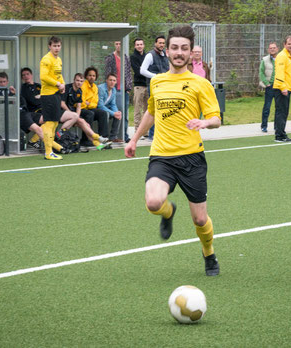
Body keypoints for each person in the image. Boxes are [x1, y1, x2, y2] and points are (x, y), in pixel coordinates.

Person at [125, 25, 222, 277]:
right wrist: (134, 139)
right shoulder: (156, 81)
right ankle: (169, 212)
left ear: (191, 53)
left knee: (200, 220)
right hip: (162, 156)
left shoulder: (201, 83)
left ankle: (208, 252)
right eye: (175, 48)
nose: (179, 53)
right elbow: (151, 112)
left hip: (192, 158)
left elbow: (216, 118)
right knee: (154, 202)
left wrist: (205, 122)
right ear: (166, 50)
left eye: (184, 48)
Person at [61, 73, 111, 151]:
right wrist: (73, 115)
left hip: (72, 114)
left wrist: (76, 116)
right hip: (62, 112)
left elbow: (78, 106)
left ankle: (98, 144)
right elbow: (62, 104)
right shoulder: (67, 88)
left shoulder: (80, 91)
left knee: (85, 124)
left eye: (81, 81)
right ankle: (97, 138)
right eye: (77, 80)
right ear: (73, 80)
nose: (79, 83)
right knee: (82, 122)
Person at [39, 36, 66, 160]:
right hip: (48, 95)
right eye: (54, 46)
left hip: (56, 94)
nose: (57, 48)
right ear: (49, 46)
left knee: (55, 123)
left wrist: (63, 84)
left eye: (58, 45)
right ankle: (48, 152)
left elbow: (58, 75)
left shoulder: (58, 59)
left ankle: (50, 151)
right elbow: (43, 76)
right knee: (50, 123)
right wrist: (57, 84)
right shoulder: (46, 59)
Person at [140, 35, 169, 141]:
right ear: (155, 43)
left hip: (165, 86)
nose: (161, 45)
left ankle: (161, 133)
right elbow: (142, 70)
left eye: (163, 43)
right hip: (154, 86)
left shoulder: (165, 55)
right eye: (159, 43)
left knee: (164, 109)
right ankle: (152, 135)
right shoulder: (150, 55)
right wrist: (156, 76)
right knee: (154, 110)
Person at [105, 41, 133, 143]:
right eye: (116, 43)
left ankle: (124, 135)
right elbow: (107, 74)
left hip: (124, 90)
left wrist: (129, 88)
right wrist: (110, 88)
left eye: (120, 43)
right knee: (115, 112)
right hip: (114, 89)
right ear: (114, 45)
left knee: (124, 114)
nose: (118, 46)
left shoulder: (126, 58)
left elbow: (128, 73)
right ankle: (112, 135)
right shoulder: (110, 58)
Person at [272, 36, 291, 142]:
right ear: (284, 44)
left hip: (288, 87)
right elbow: (279, 73)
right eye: (289, 44)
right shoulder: (282, 56)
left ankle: (281, 132)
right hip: (281, 88)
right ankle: (279, 135)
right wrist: (283, 87)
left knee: (284, 112)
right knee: (281, 112)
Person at [80, 66, 110, 147]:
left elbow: (95, 103)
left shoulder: (95, 87)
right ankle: (85, 140)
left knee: (103, 113)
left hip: (89, 108)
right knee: (90, 114)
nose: (92, 77)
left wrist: (89, 104)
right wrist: (88, 104)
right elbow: (82, 102)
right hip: (80, 109)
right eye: (90, 75)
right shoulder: (83, 85)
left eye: (93, 76)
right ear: (86, 76)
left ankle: (104, 138)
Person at [259, 42, 279, 133]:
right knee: (267, 107)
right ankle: (264, 126)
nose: (272, 49)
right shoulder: (265, 60)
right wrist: (266, 83)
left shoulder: (281, 59)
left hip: (278, 86)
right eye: (270, 48)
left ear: (277, 49)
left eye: (274, 48)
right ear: (268, 50)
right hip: (270, 87)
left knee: (278, 108)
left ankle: (276, 126)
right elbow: (261, 73)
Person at [130, 38, 148, 137]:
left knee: (147, 110)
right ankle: (138, 132)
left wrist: (146, 72)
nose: (139, 46)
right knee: (138, 109)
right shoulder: (133, 57)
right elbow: (138, 71)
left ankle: (146, 132)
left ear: (143, 45)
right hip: (138, 86)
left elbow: (149, 68)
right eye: (137, 44)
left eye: (141, 44)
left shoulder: (147, 56)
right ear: (135, 46)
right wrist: (147, 73)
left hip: (147, 85)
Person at [98, 74, 122, 142]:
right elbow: (100, 105)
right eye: (110, 80)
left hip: (105, 107)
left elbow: (113, 104)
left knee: (118, 114)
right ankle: (105, 137)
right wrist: (113, 113)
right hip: (96, 108)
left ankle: (113, 137)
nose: (112, 82)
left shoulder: (113, 90)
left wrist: (116, 113)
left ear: (116, 82)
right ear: (106, 81)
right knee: (107, 114)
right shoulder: (101, 88)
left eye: (114, 80)